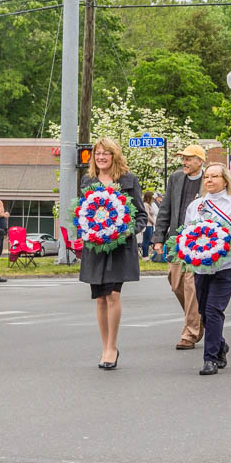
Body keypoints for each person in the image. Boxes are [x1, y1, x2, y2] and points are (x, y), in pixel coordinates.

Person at [80, 138, 148, 370]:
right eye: (97, 153)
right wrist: (85, 229)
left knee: (113, 295)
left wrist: (127, 231)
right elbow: (82, 212)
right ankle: (105, 346)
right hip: (95, 248)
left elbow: (141, 215)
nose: (100, 157)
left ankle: (112, 346)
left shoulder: (128, 180)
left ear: (114, 156)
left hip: (120, 247)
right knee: (100, 297)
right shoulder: (87, 180)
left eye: (105, 153)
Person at [182, 163, 231, 375]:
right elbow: (187, 232)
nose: (209, 180)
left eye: (214, 176)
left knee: (214, 310)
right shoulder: (196, 206)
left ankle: (209, 358)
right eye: (207, 177)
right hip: (202, 267)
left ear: (225, 180)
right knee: (203, 311)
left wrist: (226, 244)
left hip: (226, 266)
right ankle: (220, 344)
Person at [153, 145, 206, 350]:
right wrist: (159, 238)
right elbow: (165, 208)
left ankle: (190, 332)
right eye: (183, 158)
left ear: (200, 161)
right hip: (176, 240)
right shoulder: (175, 178)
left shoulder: (208, 180)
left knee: (191, 285)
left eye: (189, 159)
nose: (184, 162)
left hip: (200, 241)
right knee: (176, 284)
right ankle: (200, 318)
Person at [141, 191, 158, 260]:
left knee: (148, 241)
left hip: (150, 225)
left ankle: (146, 255)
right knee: (146, 241)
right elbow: (147, 215)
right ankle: (145, 256)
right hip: (147, 225)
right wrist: (154, 222)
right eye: (152, 197)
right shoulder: (145, 205)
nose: (153, 198)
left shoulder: (150, 205)